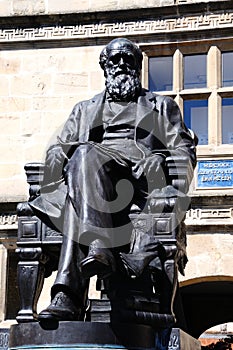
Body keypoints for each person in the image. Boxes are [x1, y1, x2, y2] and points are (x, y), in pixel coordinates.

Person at [30, 38, 196, 322]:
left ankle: (68, 293)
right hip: (92, 177)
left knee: (80, 181)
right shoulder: (84, 110)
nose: (121, 64)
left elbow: (184, 150)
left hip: (139, 182)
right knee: (82, 159)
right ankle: (76, 283)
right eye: (115, 60)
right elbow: (56, 149)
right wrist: (61, 157)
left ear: (138, 66)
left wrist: (160, 159)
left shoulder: (161, 106)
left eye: (128, 59)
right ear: (104, 66)